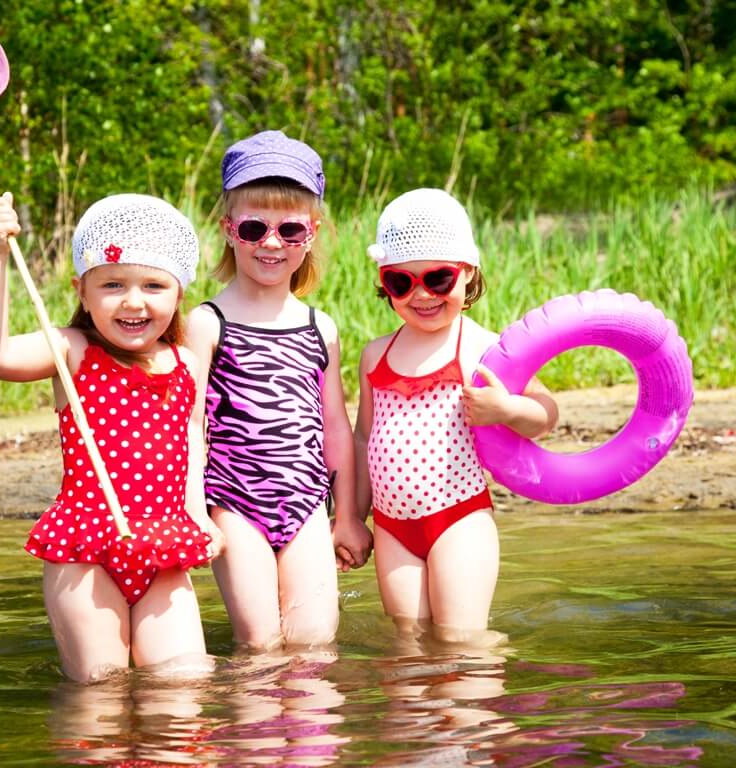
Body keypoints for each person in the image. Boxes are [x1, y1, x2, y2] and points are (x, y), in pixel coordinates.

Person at [0, 192, 224, 682]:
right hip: (85, 549)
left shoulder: (186, 365)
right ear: (82, 292)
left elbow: (193, 442)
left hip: (164, 547)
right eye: (112, 284)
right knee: (100, 692)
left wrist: (198, 516)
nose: (133, 300)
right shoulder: (73, 351)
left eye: (153, 284)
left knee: (184, 685)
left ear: (178, 294)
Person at [186, 130, 372, 651]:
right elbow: (191, 425)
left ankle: (314, 733)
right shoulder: (207, 322)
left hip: (307, 503)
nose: (271, 243)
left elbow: (334, 425)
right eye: (253, 227)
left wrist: (349, 516)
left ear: (310, 234)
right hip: (233, 503)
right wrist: (194, 512)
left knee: (314, 641)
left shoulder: (320, 327)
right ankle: (255, 732)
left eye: (289, 229)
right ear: (229, 230)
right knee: (260, 642)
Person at [353, 188, 558, 645]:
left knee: (462, 642)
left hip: (458, 519)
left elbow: (545, 414)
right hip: (391, 527)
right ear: (385, 284)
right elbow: (364, 438)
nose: (421, 294)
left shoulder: (484, 349)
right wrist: (351, 516)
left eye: (438, 279)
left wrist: (506, 409)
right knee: (409, 642)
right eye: (401, 283)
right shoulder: (374, 355)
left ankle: (479, 711)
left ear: (468, 274)